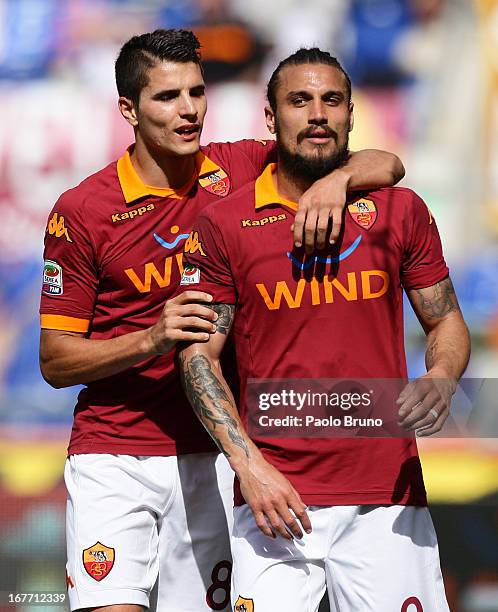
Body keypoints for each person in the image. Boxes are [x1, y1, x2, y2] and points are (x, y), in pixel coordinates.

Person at [39, 29, 404, 612]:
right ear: (128, 110)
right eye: (167, 97)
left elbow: (385, 163)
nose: (189, 111)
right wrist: (152, 337)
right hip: (115, 453)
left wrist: (336, 180)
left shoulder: (236, 168)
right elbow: (55, 360)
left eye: (197, 92)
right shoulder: (83, 211)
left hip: (213, 453)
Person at [178, 47, 470, 611]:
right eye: (299, 100)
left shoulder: (400, 211)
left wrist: (441, 376)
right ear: (270, 118)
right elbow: (198, 357)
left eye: (331, 100)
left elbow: (445, 319)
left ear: (351, 115)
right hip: (273, 501)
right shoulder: (223, 223)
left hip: (386, 496)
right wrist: (250, 468)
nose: (317, 113)